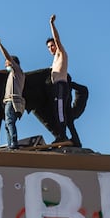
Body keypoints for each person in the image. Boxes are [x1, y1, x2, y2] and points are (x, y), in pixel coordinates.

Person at [0, 37, 25, 150]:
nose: (5, 65)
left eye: (7, 63)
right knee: (7, 124)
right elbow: (4, 71)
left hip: (12, 101)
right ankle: (10, 144)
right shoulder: (13, 74)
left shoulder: (17, 71)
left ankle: (14, 143)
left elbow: (7, 57)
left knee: (9, 122)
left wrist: (0, 45)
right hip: (11, 102)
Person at [46, 14, 69, 143]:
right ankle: (59, 134)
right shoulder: (54, 60)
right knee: (55, 111)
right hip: (55, 86)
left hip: (61, 85)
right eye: (48, 47)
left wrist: (52, 24)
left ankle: (62, 135)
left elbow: (57, 38)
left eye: (52, 46)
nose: (51, 49)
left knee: (60, 110)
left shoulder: (61, 53)